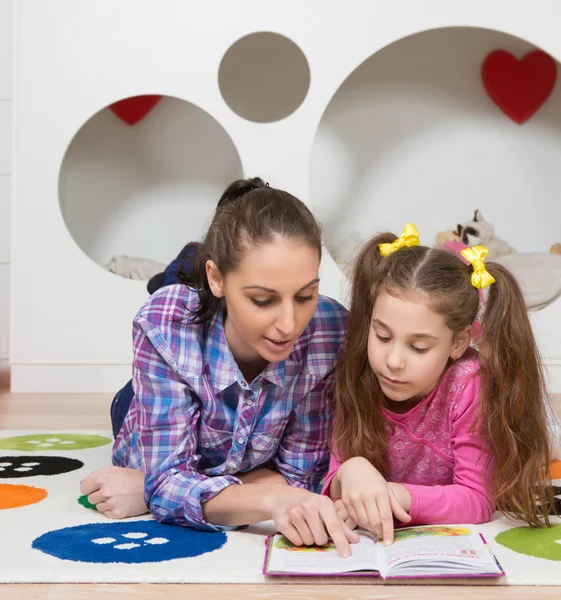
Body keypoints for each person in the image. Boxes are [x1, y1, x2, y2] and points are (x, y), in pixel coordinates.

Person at [80, 177, 359, 557]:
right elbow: (167, 482)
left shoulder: (328, 329)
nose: (290, 325)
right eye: (263, 300)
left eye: (305, 295)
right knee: (173, 291)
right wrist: (267, 498)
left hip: (228, 439)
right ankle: (185, 266)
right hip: (139, 405)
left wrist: (153, 488)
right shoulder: (165, 326)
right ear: (217, 278)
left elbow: (302, 475)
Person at [323, 223, 556, 546]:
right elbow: (333, 481)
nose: (393, 360)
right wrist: (350, 471)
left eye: (419, 347)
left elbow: (477, 500)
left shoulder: (468, 383)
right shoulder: (359, 369)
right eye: (382, 335)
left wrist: (395, 494)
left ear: (458, 343)